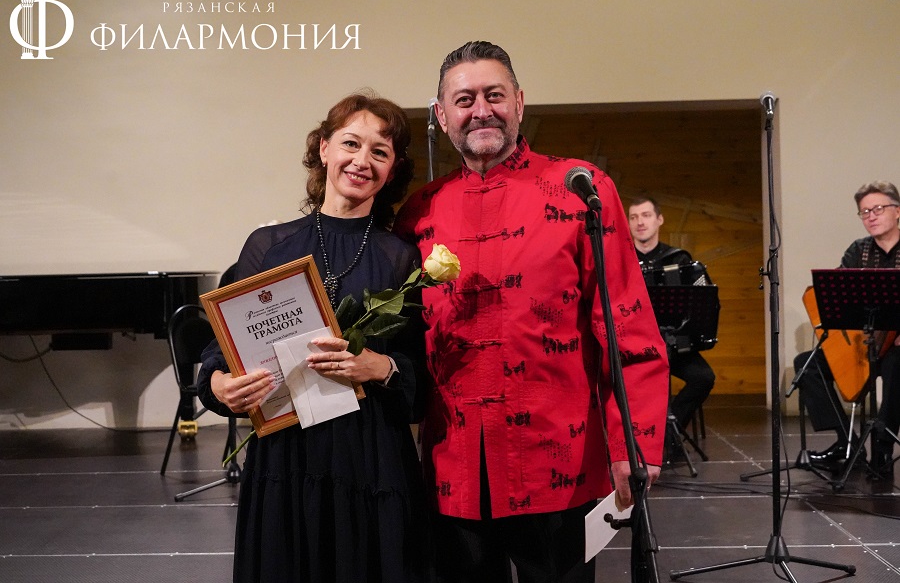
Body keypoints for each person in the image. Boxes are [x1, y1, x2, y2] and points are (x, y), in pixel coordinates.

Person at [393, 41, 669, 583]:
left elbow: (625, 322)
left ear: (519, 102)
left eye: (494, 95)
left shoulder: (580, 190)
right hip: (454, 468)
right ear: (441, 115)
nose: (481, 110)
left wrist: (633, 443)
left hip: (556, 462)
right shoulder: (420, 211)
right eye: (464, 100)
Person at [196, 92, 430, 582]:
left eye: (380, 152)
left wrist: (380, 367)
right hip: (285, 456)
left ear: (392, 170)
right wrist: (219, 385)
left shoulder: (400, 257)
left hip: (370, 457)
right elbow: (221, 351)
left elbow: (421, 376)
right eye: (351, 143)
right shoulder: (268, 245)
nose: (362, 161)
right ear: (324, 149)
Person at [795, 180, 900, 479]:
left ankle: (883, 446)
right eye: (864, 212)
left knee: (897, 365)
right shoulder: (857, 250)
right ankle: (847, 443)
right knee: (806, 365)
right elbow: (838, 297)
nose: (871, 216)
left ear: (897, 211)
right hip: (862, 342)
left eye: (878, 209)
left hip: (896, 346)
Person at [628, 196, 717, 457]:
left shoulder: (679, 259)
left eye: (645, 215)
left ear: (659, 220)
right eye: (633, 217)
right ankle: (636, 443)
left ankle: (669, 433)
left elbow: (703, 300)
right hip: (635, 349)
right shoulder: (622, 260)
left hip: (673, 345)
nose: (640, 222)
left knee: (704, 378)